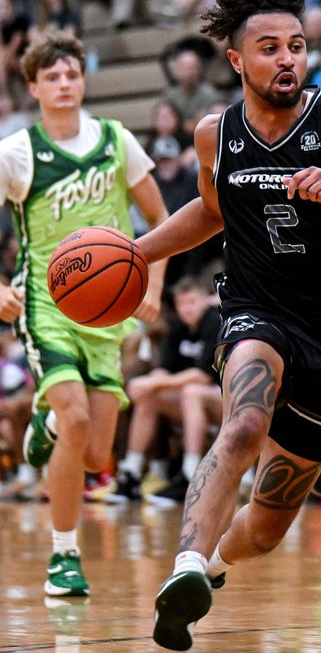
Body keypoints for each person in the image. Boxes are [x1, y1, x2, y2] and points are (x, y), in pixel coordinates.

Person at [132, 0, 321, 650]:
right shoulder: (213, 134)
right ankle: (186, 565)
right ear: (236, 59)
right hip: (256, 311)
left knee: (265, 525)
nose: (286, 59)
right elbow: (210, 211)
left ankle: (216, 565)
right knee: (243, 422)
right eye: (269, 48)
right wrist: (138, 252)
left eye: (295, 46)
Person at [0, 31, 168, 596]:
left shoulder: (117, 141)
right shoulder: (18, 152)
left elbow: (160, 219)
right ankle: (64, 559)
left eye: (72, 74)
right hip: (47, 301)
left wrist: (155, 284)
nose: (65, 84)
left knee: (96, 452)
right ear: (34, 87)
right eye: (52, 77)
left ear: (83, 80)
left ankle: (45, 430)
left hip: (108, 308)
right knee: (75, 419)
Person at [96, 276, 221, 504]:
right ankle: (131, 474)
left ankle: (191, 475)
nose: (186, 308)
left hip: (226, 401)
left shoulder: (215, 322)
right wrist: (148, 382)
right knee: (149, 397)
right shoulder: (178, 328)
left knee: (191, 392)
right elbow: (165, 370)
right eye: (182, 303)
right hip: (191, 402)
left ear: (206, 301)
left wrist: (155, 382)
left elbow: (203, 377)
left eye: (192, 302)